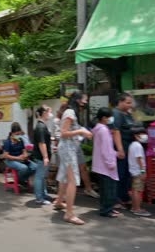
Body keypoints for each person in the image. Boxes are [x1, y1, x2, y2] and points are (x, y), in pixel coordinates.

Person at [54, 91, 93, 225]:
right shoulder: (70, 113)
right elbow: (64, 133)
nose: (85, 103)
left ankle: (59, 202)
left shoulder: (71, 113)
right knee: (73, 180)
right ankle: (69, 214)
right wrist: (81, 131)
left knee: (64, 177)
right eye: (84, 100)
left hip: (68, 148)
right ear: (77, 100)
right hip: (68, 149)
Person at [92, 107, 119, 218]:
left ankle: (107, 208)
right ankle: (107, 210)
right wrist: (111, 162)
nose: (111, 119)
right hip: (106, 165)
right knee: (109, 189)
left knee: (104, 189)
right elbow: (106, 149)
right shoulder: (103, 130)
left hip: (100, 165)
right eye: (109, 117)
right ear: (104, 118)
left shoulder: (99, 129)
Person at [111, 93, 135, 209]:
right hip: (121, 148)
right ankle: (116, 198)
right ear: (120, 102)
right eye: (128, 102)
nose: (130, 105)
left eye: (131, 102)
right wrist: (120, 149)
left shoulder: (127, 114)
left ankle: (124, 196)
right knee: (119, 174)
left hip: (129, 148)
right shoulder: (116, 114)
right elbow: (116, 132)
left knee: (126, 174)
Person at [32, 105, 54, 205]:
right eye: (50, 112)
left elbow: (45, 141)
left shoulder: (42, 125)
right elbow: (41, 143)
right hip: (41, 157)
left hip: (43, 156)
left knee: (42, 176)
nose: (51, 114)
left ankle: (43, 194)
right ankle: (39, 198)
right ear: (44, 113)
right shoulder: (40, 127)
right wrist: (45, 157)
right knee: (39, 176)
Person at [3, 123, 37, 188]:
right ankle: (19, 180)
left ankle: (21, 179)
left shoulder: (20, 140)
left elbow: (24, 151)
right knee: (24, 168)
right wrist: (18, 158)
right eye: (16, 134)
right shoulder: (8, 142)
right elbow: (6, 155)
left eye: (19, 134)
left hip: (21, 159)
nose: (18, 136)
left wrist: (25, 155)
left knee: (35, 167)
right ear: (12, 133)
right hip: (11, 160)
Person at [128, 126, 151, 217]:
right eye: (142, 134)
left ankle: (134, 207)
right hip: (138, 171)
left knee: (134, 190)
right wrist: (143, 171)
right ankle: (137, 209)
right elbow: (139, 159)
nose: (145, 136)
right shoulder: (137, 146)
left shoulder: (132, 145)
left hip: (134, 171)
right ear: (136, 136)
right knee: (137, 191)